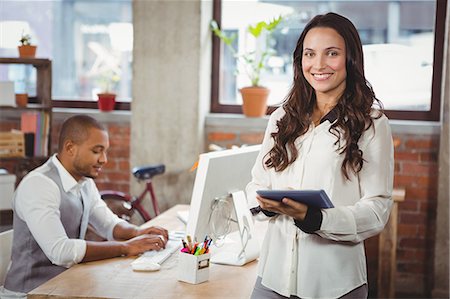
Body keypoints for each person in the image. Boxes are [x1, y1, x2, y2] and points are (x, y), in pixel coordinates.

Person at [246, 12, 394, 299]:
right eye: (309, 54)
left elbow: (377, 210)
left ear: (350, 59)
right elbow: (255, 183)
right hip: (272, 280)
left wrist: (315, 219)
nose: (318, 65)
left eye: (332, 53)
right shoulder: (281, 117)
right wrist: (266, 204)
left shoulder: (371, 123)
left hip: (335, 285)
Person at [2, 115, 168, 296]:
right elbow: (61, 251)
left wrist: (137, 232)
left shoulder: (84, 182)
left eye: (105, 151)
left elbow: (108, 224)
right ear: (70, 148)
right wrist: (126, 247)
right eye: (97, 151)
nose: (104, 159)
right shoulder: (39, 185)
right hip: (29, 294)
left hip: (64, 287)